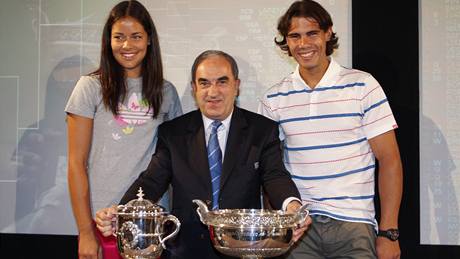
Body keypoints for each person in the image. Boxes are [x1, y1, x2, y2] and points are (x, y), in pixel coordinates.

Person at [95, 50, 312, 259]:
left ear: (236, 86)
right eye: (204, 83)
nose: (213, 92)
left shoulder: (262, 130)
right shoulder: (173, 133)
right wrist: (123, 211)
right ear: (194, 88)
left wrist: (292, 206)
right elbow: (152, 180)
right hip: (186, 249)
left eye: (222, 81)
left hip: (244, 249)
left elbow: (275, 176)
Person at [258, 1, 403, 258]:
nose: (303, 44)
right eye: (295, 36)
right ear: (286, 42)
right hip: (299, 228)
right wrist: (277, 227)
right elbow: (270, 169)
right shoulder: (273, 97)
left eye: (312, 33)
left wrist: (389, 232)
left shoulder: (363, 85)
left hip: (354, 225)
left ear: (327, 33)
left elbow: (389, 160)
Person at [65, 1, 182, 258]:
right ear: (109, 41)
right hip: (102, 224)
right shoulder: (89, 87)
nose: (127, 46)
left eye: (136, 37)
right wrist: (85, 232)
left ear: (149, 39)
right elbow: (76, 163)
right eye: (119, 37)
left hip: (150, 225)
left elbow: (174, 163)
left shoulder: (166, 92)